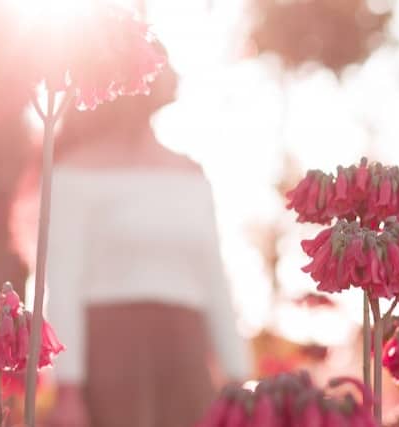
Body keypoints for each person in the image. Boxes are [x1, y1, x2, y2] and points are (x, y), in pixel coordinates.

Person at [25, 68, 251, 427]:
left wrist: (239, 379)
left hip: (186, 361)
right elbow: (62, 285)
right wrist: (69, 392)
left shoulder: (191, 175)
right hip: (108, 361)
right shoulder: (71, 174)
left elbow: (214, 279)